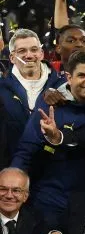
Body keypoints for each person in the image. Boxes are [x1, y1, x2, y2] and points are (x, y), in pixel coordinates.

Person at [12, 50, 85, 226]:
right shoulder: (49, 105)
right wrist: (12, 184)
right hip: (48, 199)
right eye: (82, 75)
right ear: (69, 77)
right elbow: (26, 151)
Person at [0, 29, 64, 167]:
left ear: (41, 54)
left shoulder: (62, 85)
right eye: (22, 51)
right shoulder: (1, 88)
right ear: (12, 57)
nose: (29, 55)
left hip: (53, 170)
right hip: (11, 171)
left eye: (34, 50)